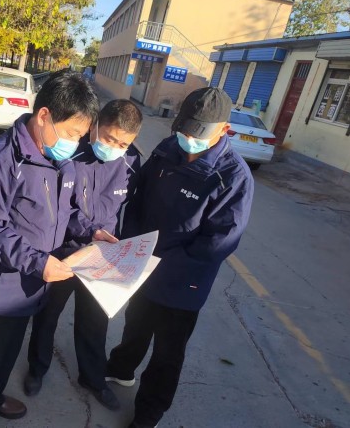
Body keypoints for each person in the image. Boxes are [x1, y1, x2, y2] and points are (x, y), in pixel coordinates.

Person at [0, 70, 114, 428]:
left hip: (28, 287)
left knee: (6, 355)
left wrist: (91, 231)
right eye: (71, 133)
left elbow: (66, 210)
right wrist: (39, 263)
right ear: (43, 116)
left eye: (80, 136)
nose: (74, 142)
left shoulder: (58, 159)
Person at [105, 87, 254, 428]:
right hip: (143, 263)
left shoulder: (234, 177)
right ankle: (120, 369)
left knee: (168, 351)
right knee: (135, 325)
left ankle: (150, 410)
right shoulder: (167, 149)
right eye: (185, 131)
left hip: (183, 280)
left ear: (224, 130)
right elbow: (138, 196)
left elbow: (221, 241)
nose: (189, 140)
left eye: (198, 134)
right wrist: (131, 240)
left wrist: (165, 262)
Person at [24, 99, 143, 411]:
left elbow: (128, 209)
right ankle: (37, 368)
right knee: (47, 314)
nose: (113, 147)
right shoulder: (69, 151)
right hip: (63, 250)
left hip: (103, 254)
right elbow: (59, 207)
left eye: (122, 143)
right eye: (108, 138)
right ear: (95, 125)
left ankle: (93, 378)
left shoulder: (132, 161)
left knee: (95, 321)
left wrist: (125, 247)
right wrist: (89, 231)